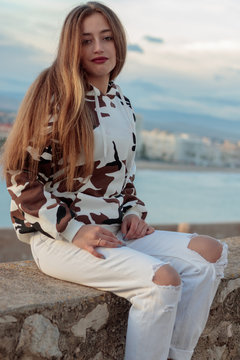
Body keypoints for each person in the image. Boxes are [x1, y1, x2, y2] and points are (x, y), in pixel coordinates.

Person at [2, 2, 228, 360]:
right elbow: (18, 174)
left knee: (213, 255)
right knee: (161, 283)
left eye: (106, 38)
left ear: (118, 43)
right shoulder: (55, 95)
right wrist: (72, 229)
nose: (98, 48)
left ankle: (176, 355)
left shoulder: (121, 101)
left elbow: (126, 175)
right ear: (70, 47)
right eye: (86, 40)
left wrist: (133, 212)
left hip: (114, 232)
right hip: (63, 240)